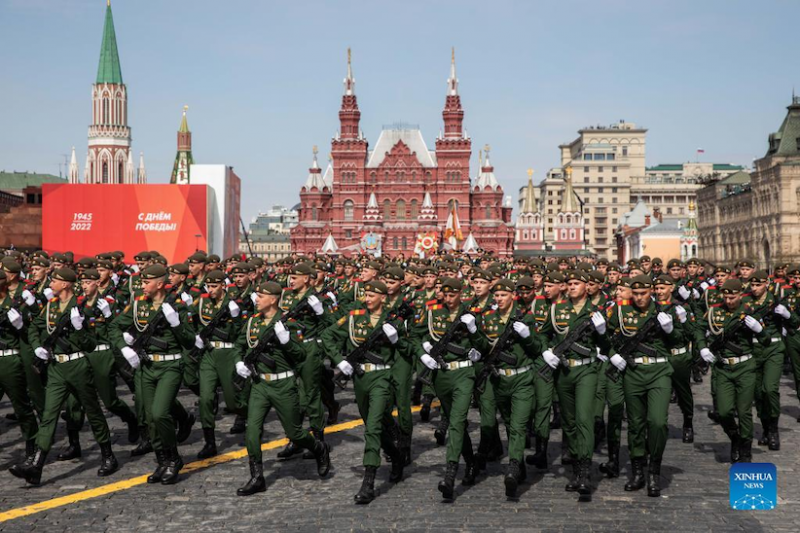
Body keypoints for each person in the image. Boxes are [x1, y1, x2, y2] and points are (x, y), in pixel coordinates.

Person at [11, 268, 119, 486]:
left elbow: (90, 344)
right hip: (56, 368)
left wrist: (79, 328)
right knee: (49, 415)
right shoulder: (50, 306)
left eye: (55, 280)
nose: (51, 283)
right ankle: (36, 466)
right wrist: (37, 347)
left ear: (66, 284)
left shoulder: (82, 308)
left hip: (78, 365)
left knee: (93, 411)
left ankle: (108, 455)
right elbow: (33, 328)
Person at [233, 281, 331, 496]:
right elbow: (239, 345)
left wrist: (286, 341)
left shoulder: (289, 323)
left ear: (273, 299)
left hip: (283, 385)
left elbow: (300, 355)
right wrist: (239, 362)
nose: (256, 299)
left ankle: (319, 448)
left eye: (260, 296)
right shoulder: (252, 322)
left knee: (295, 433)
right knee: (252, 431)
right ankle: (257, 477)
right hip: (259, 384)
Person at [321, 280, 406, 504]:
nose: (367, 299)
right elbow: (328, 335)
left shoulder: (393, 320)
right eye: (366, 295)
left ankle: (369, 481)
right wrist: (340, 360)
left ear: (383, 298)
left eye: (371, 295)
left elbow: (408, 347)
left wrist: (396, 337)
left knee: (373, 428)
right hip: (360, 378)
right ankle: (396, 455)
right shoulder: (354, 316)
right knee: (372, 424)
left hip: (382, 377)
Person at [109, 264, 195, 485]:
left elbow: (189, 341)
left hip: (170, 366)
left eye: (146, 282)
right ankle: (162, 460)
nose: (142, 286)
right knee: (149, 418)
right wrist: (125, 348)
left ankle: (174, 458)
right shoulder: (139, 304)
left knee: (159, 413)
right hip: (146, 366)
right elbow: (114, 327)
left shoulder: (177, 306)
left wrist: (176, 323)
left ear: (160, 283)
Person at [606, 275, 682, 497]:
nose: (639, 298)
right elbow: (604, 337)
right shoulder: (621, 311)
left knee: (657, 422)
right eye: (636, 293)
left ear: (652, 292)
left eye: (644, 293)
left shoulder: (665, 311)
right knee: (636, 424)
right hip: (633, 372)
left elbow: (680, 340)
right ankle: (638, 470)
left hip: (659, 371)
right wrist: (612, 355)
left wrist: (670, 329)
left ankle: (654, 470)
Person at [411, 277, 480, 500]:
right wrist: (423, 352)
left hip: (463, 374)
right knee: (455, 421)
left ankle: (450, 474)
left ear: (461, 294)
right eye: (445, 294)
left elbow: (484, 344)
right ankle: (471, 462)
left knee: (457, 422)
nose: (448, 299)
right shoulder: (433, 311)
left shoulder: (471, 313)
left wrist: (474, 330)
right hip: (441, 375)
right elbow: (414, 334)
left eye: (452, 295)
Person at [696, 279, 769, 463]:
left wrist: (759, 330)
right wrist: (702, 347)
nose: (729, 301)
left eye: (733, 297)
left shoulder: (750, 311)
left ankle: (745, 449)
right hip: (723, 368)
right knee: (723, 411)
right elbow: (699, 329)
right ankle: (735, 436)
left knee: (744, 411)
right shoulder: (714, 311)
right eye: (726, 297)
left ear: (740, 294)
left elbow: (766, 341)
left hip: (745, 367)